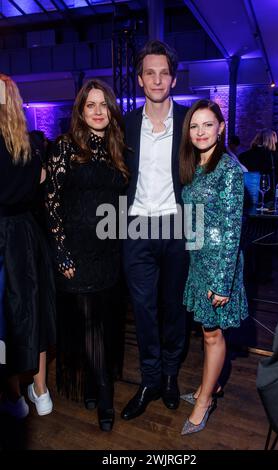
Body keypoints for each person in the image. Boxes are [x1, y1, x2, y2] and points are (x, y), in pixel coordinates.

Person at [46, 79, 128, 432]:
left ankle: (95, 384)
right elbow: (51, 203)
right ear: (80, 111)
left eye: (103, 105)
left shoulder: (117, 149)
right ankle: (105, 394)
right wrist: (62, 253)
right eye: (90, 105)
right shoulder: (66, 147)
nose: (97, 111)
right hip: (77, 253)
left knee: (105, 323)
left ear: (111, 110)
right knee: (91, 323)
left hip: (109, 252)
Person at [121, 40, 189, 421]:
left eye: (164, 72)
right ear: (140, 79)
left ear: (173, 79)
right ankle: (148, 380)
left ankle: (169, 376)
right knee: (144, 311)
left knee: (174, 308)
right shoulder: (127, 123)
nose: (157, 79)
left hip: (178, 227)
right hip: (135, 229)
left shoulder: (188, 122)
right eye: (151, 72)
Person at [179, 99, 248, 435]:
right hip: (199, 262)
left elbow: (233, 228)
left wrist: (223, 282)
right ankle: (212, 385)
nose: (201, 131)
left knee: (212, 335)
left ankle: (204, 400)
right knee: (208, 333)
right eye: (194, 126)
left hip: (219, 264)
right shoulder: (196, 166)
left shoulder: (230, 170)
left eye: (208, 124)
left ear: (221, 127)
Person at [0, 74, 55, 419]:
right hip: (27, 235)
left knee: (6, 319)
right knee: (35, 312)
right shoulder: (32, 145)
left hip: (4, 238)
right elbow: (42, 182)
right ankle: (41, 390)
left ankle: (14, 396)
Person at [239, 128, 278, 198]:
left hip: (248, 193)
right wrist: (277, 143)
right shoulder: (274, 156)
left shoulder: (244, 155)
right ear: (273, 140)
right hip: (269, 195)